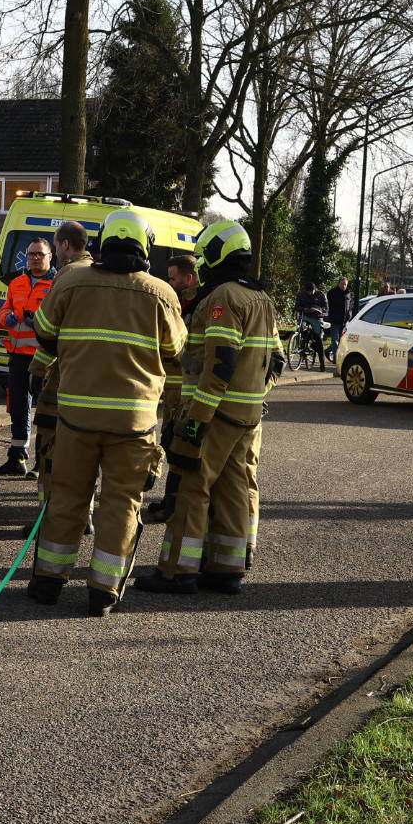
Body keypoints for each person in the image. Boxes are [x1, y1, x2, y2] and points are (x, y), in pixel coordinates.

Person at [28, 210, 186, 618]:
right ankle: (103, 592)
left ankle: (47, 582)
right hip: (133, 424)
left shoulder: (73, 281)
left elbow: (44, 328)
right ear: (144, 247)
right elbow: (177, 350)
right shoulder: (161, 293)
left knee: (67, 497)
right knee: (121, 504)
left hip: (76, 417)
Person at [137, 220, 279, 598]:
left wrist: (197, 419)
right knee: (233, 487)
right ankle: (226, 569)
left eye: (204, 256)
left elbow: (220, 363)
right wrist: (253, 397)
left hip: (214, 414)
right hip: (246, 416)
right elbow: (275, 360)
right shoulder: (261, 297)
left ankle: (176, 571)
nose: (200, 265)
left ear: (218, 254)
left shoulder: (223, 298)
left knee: (191, 485)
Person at [29, 222, 93, 512]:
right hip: (89, 379)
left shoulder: (67, 275)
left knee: (50, 448)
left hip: (61, 379)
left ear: (65, 246)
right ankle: (85, 513)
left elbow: (47, 331)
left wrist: (37, 371)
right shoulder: (98, 273)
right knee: (86, 454)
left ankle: (48, 515)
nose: (55, 251)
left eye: (56, 245)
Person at [0, 238, 56, 478]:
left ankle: (43, 462)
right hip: (18, 355)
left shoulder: (56, 283)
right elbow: (5, 308)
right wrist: (6, 316)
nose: (35, 258)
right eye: (31, 254)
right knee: (18, 408)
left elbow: (56, 317)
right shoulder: (17, 283)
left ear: (50, 257)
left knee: (46, 411)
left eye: (40, 254)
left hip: (44, 357)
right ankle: (17, 458)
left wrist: (36, 321)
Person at [142, 254, 198, 524]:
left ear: (188, 278)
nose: (169, 282)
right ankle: (168, 500)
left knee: (177, 448)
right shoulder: (182, 301)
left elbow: (183, 347)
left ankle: (173, 505)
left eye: (173, 278)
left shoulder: (194, 304)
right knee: (170, 443)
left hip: (184, 388)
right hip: (174, 388)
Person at [294, 281, 328, 361]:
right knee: (300, 329)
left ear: (315, 289)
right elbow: (296, 306)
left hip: (316, 317)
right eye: (308, 291)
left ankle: (321, 362)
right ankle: (301, 346)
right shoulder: (301, 295)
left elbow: (325, 308)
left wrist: (316, 309)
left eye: (311, 291)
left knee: (318, 338)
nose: (309, 293)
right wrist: (304, 309)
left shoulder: (321, 294)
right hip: (304, 316)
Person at [326, 277, 355, 362]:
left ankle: (327, 351)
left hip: (344, 321)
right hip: (335, 320)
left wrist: (349, 315)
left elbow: (350, 305)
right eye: (342, 284)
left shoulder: (348, 293)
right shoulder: (332, 292)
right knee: (335, 340)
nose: (343, 286)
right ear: (338, 283)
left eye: (345, 284)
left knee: (342, 341)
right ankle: (336, 360)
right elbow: (330, 304)